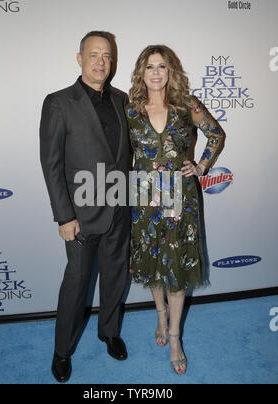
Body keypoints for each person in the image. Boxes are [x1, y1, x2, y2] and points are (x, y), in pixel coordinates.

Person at [126, 45, 225, 375]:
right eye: (150, 66)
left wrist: (201, 166)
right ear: (142, 72)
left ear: (171, 73)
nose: (156, 72)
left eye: (162, 67)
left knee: (177, 269)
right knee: (153, 264)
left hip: (180, 197)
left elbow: (215, 132)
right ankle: (160, 315)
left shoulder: (186, 106)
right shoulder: (130, 110)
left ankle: (175, 338)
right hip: (144, 198)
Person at [40, 31, 131, 383]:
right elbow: (51, 164)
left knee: (114, 278)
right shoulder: (58, 102)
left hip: (120, 210)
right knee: (76, 285)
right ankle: (61, 350)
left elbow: (128, 158)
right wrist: (64, 216)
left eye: (106, 55)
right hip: (79, 217)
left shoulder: (123, 100)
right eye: (93, 54)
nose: (100, 62)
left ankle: (109, 332)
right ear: (79, 59)